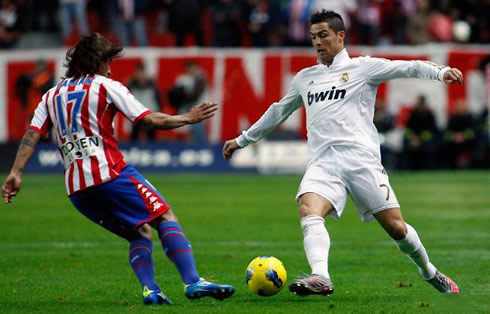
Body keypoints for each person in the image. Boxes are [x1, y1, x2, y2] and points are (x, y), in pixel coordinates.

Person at [223, 10, 462, 296]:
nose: (317, 42)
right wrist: (243, 139)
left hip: (361, 160)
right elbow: (278, 111)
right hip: (323, 163)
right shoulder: (305, 78)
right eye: (313, 37)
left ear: (340, 36)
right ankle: (320, 276)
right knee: (308, 211)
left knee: (397, 229)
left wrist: (440, 72)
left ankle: (429, 271)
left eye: (323, 35)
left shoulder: (364, 68)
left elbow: (407, 67)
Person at [1, 33, 234, 305]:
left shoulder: (51, 95)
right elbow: (147, 120)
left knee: (138, 232)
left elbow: (32, 134)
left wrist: (16, 172)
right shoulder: (105, 85)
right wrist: (187, 118)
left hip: (77, 189)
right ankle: (193, 281)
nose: (111, 68)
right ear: (98, 61)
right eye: (109, 61)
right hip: (110, 173)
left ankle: (151, 290)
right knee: (165, 217)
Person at [403, 95, 439, 169]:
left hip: (425, 140)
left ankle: (429, 168)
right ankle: (408, 167)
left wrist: (420, 138)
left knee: (430, 146)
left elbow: (432, 130)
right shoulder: (413, 114)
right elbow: (408, 128)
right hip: (414, 138)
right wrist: (412, 137)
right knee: (406, 145)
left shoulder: (429, 114)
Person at [127, 63, 161, 141]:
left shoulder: (152, 84)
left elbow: (158, 100)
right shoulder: (131, 85)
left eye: (141, 73)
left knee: (151, 138)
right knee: (134, 138)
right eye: (138, 73)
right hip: (136, 116)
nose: (140, 75)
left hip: (150, 115)